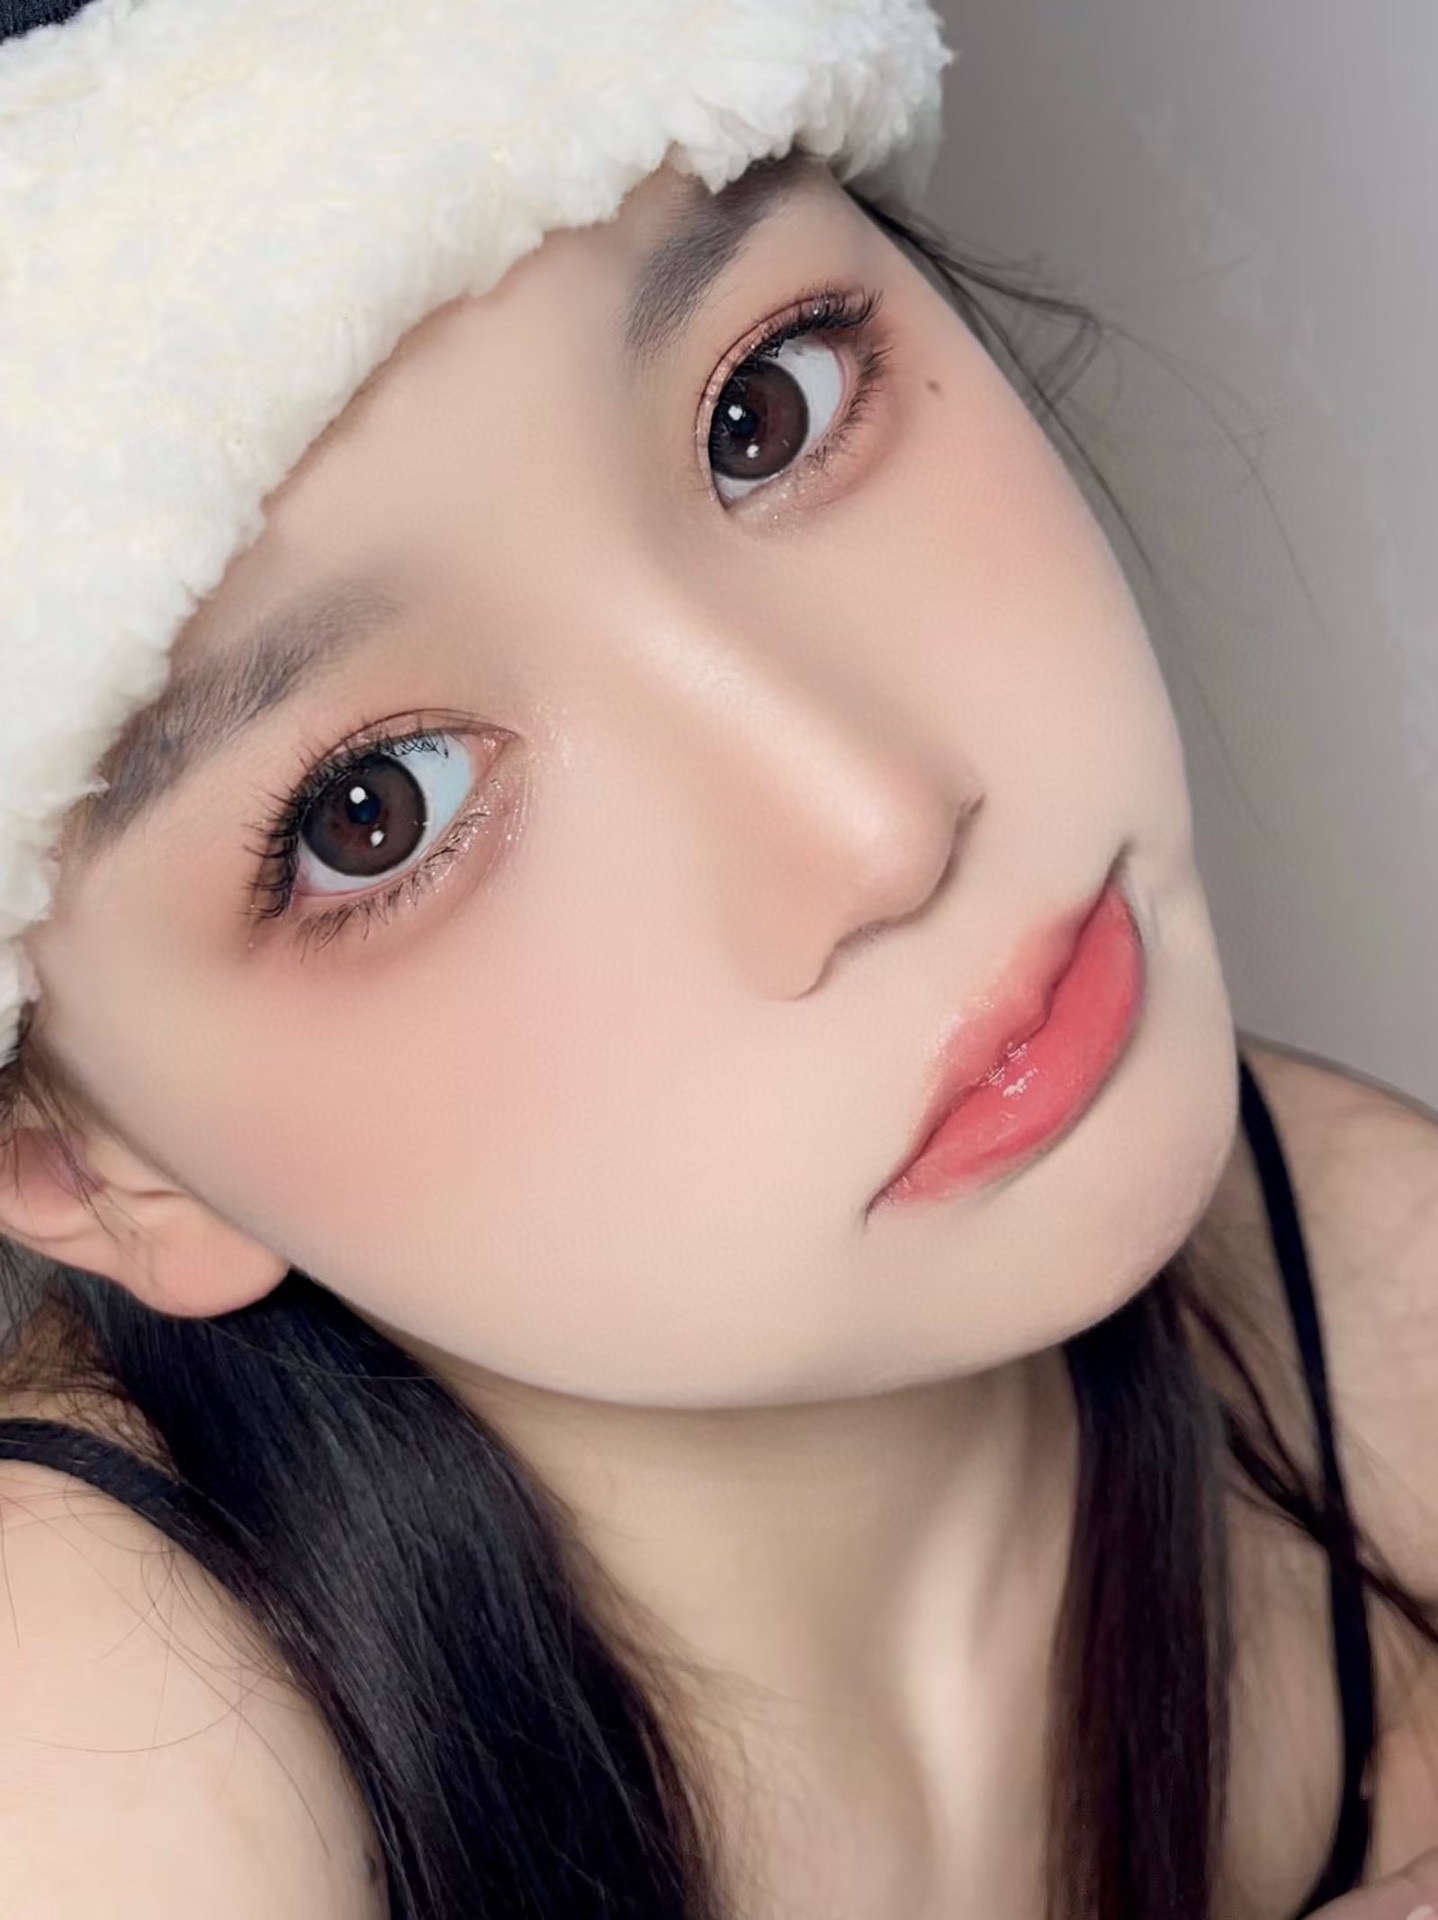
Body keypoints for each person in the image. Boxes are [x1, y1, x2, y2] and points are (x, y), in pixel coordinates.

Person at [0, 1, 1436, 1915]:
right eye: (379, 812)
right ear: (86, 1166)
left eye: (768, 408)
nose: (879, 821)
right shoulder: (81, 1760)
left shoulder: (1376, 1309)